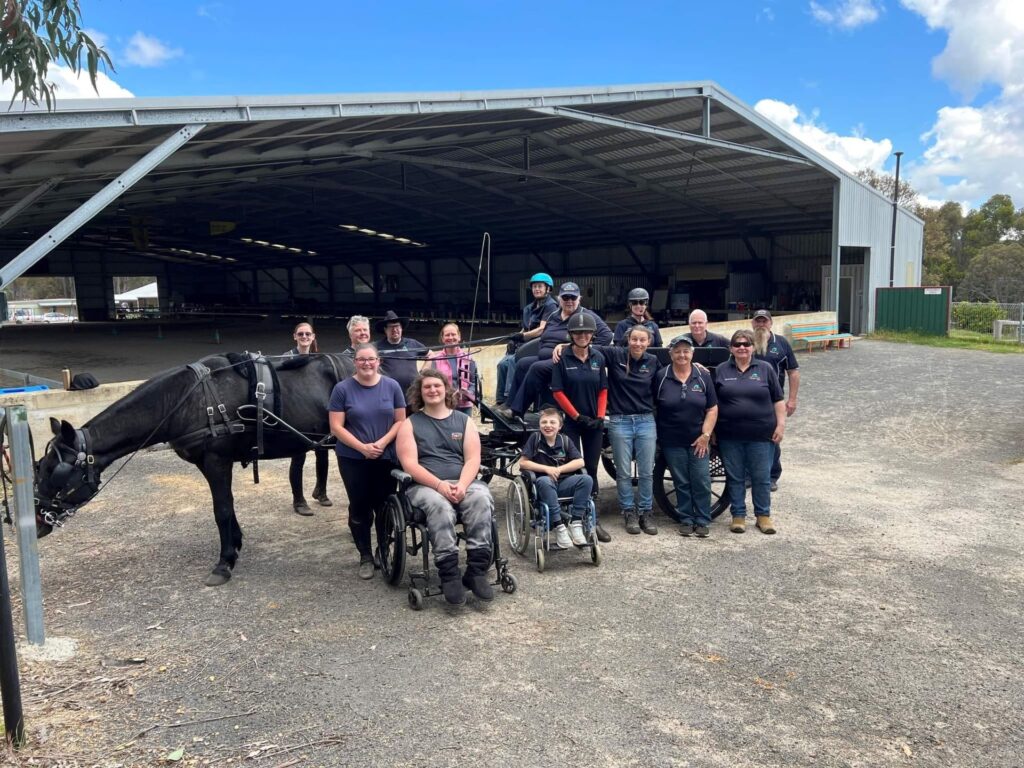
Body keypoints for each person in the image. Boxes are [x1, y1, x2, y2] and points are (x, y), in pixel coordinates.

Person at [396, 370, 495, 606]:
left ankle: (476, 571)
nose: (432, 390)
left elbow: (473, 459)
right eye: (427, 387)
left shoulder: (464, 421)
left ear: (446, 389)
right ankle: (450, 574)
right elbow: (409, 464)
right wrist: (440, 485)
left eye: (437, 386)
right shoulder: (409, 424)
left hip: (462, 482)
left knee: (481, 497)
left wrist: (461, 485)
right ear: (419, 393)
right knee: (439, 506)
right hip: (425, 486)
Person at [556, 324, 659, 536]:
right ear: (627, 340)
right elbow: (584, 344)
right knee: (622, 472)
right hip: (620, 419)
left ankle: (646, 512)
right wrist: (562, 345)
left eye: (643, 340)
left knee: (647, 471)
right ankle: (628, 512)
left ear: (649, 342)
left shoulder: (654, 361)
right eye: (634, 339)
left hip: (645, 420)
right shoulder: (614, 354)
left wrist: (697, 367)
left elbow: (674, 370)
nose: (638, 343)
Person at [329, 342, 407, 579]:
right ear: (355, 362)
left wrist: (381, 444)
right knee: (360, 506)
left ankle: (383, 547)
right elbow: (336, 427)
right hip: (353, 458)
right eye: (361, 359)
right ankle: (364, 555)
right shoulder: (342, 389)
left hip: (385, 457)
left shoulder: (392, 386)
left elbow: (400, 421)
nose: (366, 363)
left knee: (385, 504)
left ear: (378, 361)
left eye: (371, 359)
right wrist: (362, 447)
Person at [714, 328, 785, 535]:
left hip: (762, 434)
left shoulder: (765, 369)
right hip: (730, 435)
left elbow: (778, 400)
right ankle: (738, 515)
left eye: (746, 344)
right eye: (737, 344)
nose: (742, 347)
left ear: (753, 347)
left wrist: (781, 425)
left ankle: (763, 516)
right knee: (735, 477)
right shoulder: (721, 370)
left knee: (761, 476)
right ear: (731, 348)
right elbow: (713, 404)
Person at [504, 282, 612, 417]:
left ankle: (517, 411)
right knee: (522, 364)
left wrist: (578, 348)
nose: (569, 301)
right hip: (545, 356)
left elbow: (607, 336)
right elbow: (543, 336)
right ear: (559, 298)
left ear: (579, 298)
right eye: (565, 298)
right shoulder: (554, 315)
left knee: (537, 368)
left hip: (568, 360)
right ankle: (509, 404)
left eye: (573, 298)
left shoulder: (586, 316)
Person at [549, 311, 612, 542]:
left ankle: (593, 521)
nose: (583, 336)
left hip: (593, 422)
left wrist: (600, 415)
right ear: (571, 335)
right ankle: (573, 516)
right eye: (578, 332)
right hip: (573, 424)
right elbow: (557, 392)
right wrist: (576, 417)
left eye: (587, 332)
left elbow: (603, 388)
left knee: (593, 469)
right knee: (575, 469)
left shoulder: (598, 357)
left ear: (592, 335)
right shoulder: (562, 358)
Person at [654, 335, 718, 538]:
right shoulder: (662, 376)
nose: (682, 355)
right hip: (671, 439)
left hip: (698, 439)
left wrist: (706, 435)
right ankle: (686, 519)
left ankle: (702, 519)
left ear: (692, 353)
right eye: (677, 351)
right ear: (670, 353)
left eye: (686, 351)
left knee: (701, 479)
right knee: (681, 481)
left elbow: (712, 408)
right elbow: (654, 407)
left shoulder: (702, 376)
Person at [519, 408, 594, 549]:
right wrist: (546, 469)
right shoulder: (535, 439)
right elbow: (523, 462)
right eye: (544, 422)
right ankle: (559, 527)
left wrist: (559, 469)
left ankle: (576, 523)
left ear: (559, 426)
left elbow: (580, 462)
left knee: (587, 479)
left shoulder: (564, 440)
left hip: (562, 484)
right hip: (541, 485)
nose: (548, 425)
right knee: (545, 480)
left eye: (552, 422)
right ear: (539, 425)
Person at [284, 321, 332, 516]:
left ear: (313, 337)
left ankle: (321, 489)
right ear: (294, 336)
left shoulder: (319, 359)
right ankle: (298, 499)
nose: (304, 337)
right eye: (301, 334)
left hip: (317, 412)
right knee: (298, 456)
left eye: (308, 334)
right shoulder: (286, 357)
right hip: (296, 413)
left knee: (323, 453)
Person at [751, 309, 800, 491]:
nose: (761, 324)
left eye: (764, 321)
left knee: (773, 437)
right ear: (752, 323)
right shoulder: (745, 342)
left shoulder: (781, 343)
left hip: (773, 400)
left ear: (771, 323)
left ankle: (772, 475)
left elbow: (793, 372)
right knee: (749, 437)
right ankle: (750, 474)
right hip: (748, 400)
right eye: (758, 321)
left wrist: (792, 400)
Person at [496, 273, 558, 405]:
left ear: (548, 289)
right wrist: (515, 338)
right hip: (527, 345)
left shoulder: (551, 306)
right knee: (502, 364)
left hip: (540, 345)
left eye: (540, 286)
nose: (537, 289)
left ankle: (510, 399)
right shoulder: (529, 308)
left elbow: (542, 329)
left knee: (514, 361)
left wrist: (522, 336)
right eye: (535, 286)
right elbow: (525, 329)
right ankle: (500, 400)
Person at [425, 322, 478, 416]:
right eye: (447, 335)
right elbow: (433, 382)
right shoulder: (437, 360)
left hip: (464, 406)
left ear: (459, 337)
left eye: (453, 334)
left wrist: (467, 393)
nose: (450, 337)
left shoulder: (468, 358)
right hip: (444, 405)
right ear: (442, 338)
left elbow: (473, 382)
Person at [376, 310, 427, 395]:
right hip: (388, 393)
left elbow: (431, 354)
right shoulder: (376, 347)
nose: (394, 329)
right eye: (391, 327)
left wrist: (424, 371)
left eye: (397, 326)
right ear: (385, 329)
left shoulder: (412, 343)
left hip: (412, 394)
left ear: (401, 328)